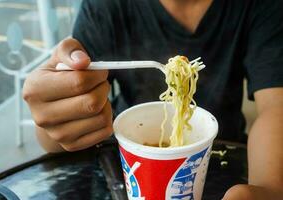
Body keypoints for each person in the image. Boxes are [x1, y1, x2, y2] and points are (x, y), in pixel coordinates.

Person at [23, 0, 283, 199]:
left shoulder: (261, 6)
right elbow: (53, 136)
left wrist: (269, 189)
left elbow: (276, 108)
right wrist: (53, 115)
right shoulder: (107, 6)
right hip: (124, 164)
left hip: (222, 160)